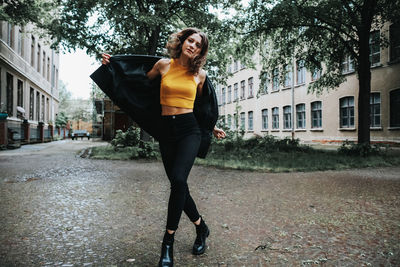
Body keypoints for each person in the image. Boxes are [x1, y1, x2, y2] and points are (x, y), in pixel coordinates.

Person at [101, 28, 226, 267]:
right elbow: (138, 83)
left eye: (198, 45)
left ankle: (167, 241)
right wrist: (113, 65)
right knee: (178, 185)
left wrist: (212, 127)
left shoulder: (200, 75)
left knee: (179, 180)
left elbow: (203, 108)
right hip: (166, 131)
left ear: (201, 51)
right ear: (182, 41)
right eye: (191, 41)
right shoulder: (163, 66)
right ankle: (202, 228)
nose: (193, 46)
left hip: (189, 131)